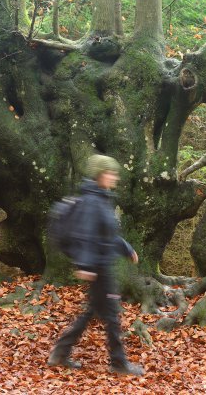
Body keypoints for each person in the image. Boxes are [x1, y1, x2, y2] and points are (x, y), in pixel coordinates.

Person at [47, 154, 144, 376]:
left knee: (92, 312)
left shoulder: (101, 198)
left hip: (101, 264)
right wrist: (86, 265)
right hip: (99, 268)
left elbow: (106, 234)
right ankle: (119, 363)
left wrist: (126, 249)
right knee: (110, 315)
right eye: (111, 173)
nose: (115, 177)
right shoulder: (92, 201)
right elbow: (86, 235)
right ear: (101, 174)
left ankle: (60, 353)